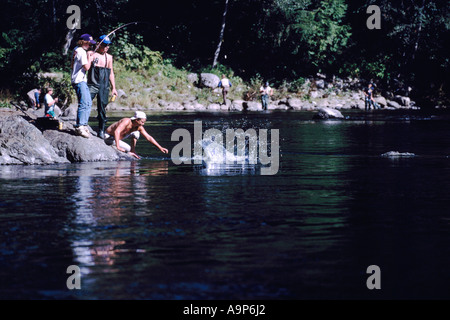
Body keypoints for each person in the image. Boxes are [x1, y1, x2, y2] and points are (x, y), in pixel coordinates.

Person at [88, 35, 118, 139]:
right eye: (105, 45)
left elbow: (111, 73)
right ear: (99, 44)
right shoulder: (92, 54)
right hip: (92, 83)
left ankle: (101, 129)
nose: (107, 47)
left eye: (108, 45)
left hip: (104, 85)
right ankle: (82, 124)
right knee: (86, 102)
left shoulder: (109, 57)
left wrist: (113, 88)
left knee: (102, 108)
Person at [104, 111, 168, 159]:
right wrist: (118, 147)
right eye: (142, 122)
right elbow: (116, 131)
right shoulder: (127, 121)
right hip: (109, 137)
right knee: (125, 149)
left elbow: (148, 137)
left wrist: (160, 147)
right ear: (136, 120)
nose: (143, 124)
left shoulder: (138, 127)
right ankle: (115, 146)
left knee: (136, 134)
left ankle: (133, 151)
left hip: (116, 139)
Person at [71, 33, 96, 138]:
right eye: (88, 44)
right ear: (84, 42)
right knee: (84, 102)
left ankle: (83, 124)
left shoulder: (76, 49)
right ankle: (80, 126)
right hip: (79, 81)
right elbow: (86, 67)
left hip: (79, 80)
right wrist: (90, 57)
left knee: (88, 102)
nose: (90, 46)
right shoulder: (81, 52)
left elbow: (72, 64)